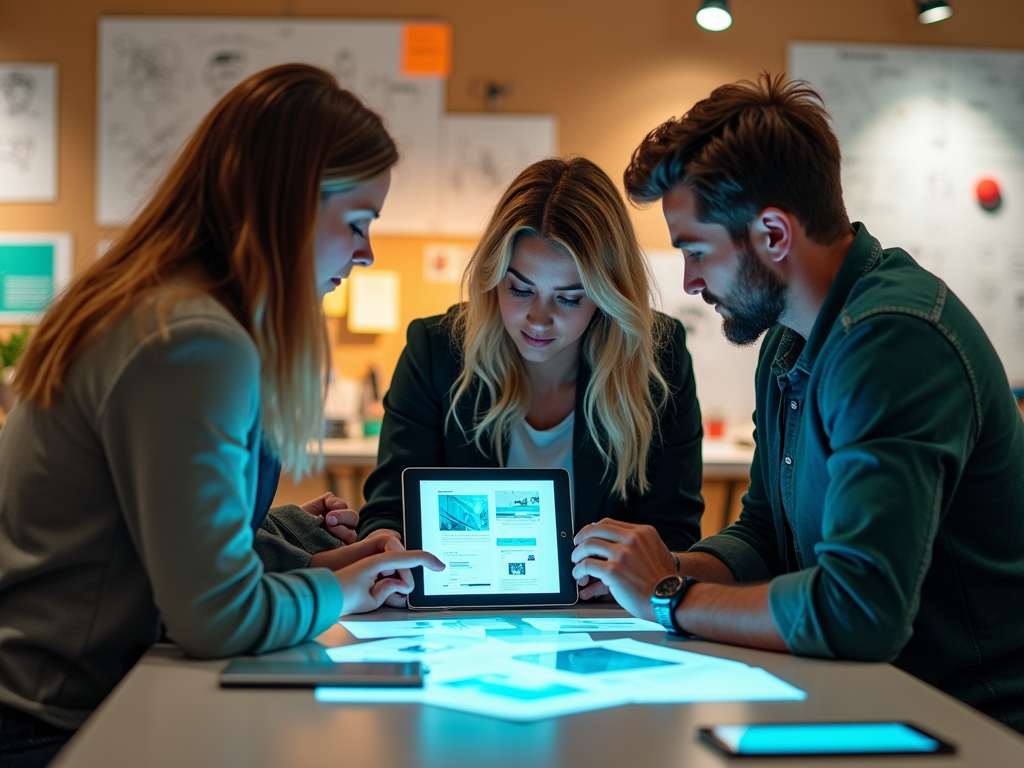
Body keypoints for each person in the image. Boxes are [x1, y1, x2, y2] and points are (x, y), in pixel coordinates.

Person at [0, 64, 443, 767]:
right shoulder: (192, 340)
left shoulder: (158, 305)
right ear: (288, 203)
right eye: (358, 223)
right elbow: (215, 617)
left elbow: (168, 549)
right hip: (55, 726)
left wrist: (320, 561)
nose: (366, 253)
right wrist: (339, 589)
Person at [572, 74, 1024, 733]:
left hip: (967, 722)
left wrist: (669, 599)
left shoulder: (894, 342)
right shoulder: (789, 343)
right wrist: (650, 571)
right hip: (869, 701)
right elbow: (766, 536)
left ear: (774, 234)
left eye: (696, 252)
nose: (691, 282)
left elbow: (858, 612)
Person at [357, 157, 705, 576]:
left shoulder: (658, 359)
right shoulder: (435, 351)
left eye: (569, 298)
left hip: (603, 614)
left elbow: (674, 532)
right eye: (520, 290)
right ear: (493, 277)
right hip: (461, 611)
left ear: (607, 296)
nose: (539, 319)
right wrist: (389, 553)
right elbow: (390, 513)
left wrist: (628, 577)